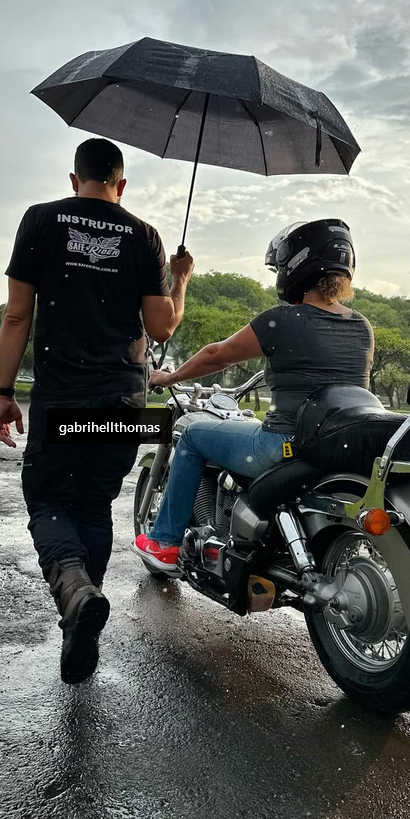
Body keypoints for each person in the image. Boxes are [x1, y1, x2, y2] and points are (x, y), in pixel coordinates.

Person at [0, 138, 194, 683]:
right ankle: (81, 615)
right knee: (96, 506)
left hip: (63, 396)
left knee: (50, 500)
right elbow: (161, 327)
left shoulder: (40, 220)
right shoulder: (145, 235)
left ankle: (76, 593)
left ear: (73, 179)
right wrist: (181, 279)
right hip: (123, 400)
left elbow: (16, 317)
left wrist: (3, 392)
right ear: (121, 184)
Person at [132, 219, 374, 574]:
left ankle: (165, 542)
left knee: (194, 434)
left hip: (284, 444)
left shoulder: (283, 320)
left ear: (296, 267)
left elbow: (217, 355)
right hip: (339, 445)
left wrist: (170, 375)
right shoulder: (361, 326)